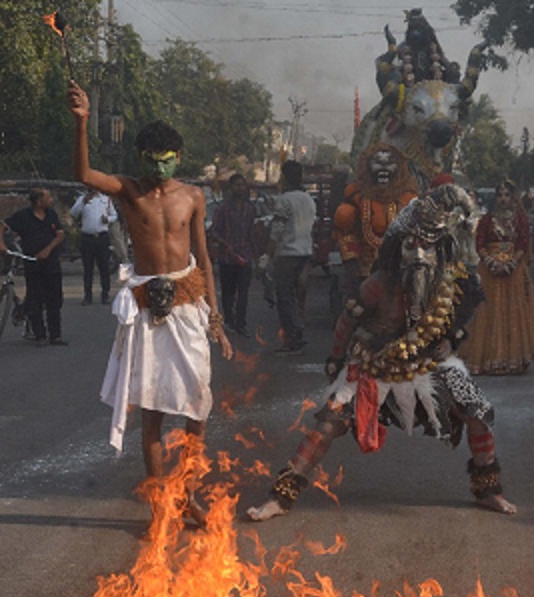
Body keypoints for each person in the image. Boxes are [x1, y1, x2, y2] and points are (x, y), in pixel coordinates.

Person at [246, 184, 517, 522]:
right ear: (398, 246)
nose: (418, 253)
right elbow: (347, 320)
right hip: (374, 363)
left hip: (431, 362)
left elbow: (465, 314)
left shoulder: (453, 281)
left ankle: (489, 490)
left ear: (440, 247)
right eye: (410, 245)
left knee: (478, 413)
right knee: (329, 423)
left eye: (427, 245)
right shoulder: (379, 283)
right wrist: (336, 358)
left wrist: (453, 338)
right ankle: (280, 498)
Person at [67, 83, 233, 493]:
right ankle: (160, 500)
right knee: (153, 410)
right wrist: (82, 122)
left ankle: (189, 491)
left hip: (188, 306)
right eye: (152, 161)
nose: (160, 169)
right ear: (140, 158)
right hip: (147, 309)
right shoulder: (128, 190)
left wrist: (216, 317)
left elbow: (204, 258)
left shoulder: (193, 196)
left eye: (167, 161)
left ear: (179, 158)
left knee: (199, 404)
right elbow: (83, 175)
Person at [459, 180, 534, 375]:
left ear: (513, 198)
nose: (503, 199)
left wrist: (512, 263)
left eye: (507, 195)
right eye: (500, 195)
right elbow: (479, 243)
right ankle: (488, 357)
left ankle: (511, 358)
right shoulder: (487, 219)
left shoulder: (520, 219)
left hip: (514, 270)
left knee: (512, 312)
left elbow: (523, 243)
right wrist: (490, 262)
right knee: (489, 312)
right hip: (490, 271)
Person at [333, 143, 417, 302]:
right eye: (377, 163)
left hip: (399, 269)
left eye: (389, 163)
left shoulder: (408, 198)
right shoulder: (356, 195)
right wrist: (351, 263)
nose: (383, 168)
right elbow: (345, 232)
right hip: (363, 269)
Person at [0, 188, 67, 346]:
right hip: (32, 264)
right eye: (48, 198)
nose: (51, 200)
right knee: (35, 299)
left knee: (54, 300)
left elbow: (60, 234)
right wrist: (1, 243)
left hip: (51, 264)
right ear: (38, 202)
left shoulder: (51, 215)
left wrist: (48, 249)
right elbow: (2, 226)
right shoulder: (24, 216)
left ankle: (55, 335)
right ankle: (39, 334)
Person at [267, 160, 316, 355]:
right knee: (297, 295)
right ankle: (298, 331)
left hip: (287, 253)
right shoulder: (308, 200)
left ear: (285, 177)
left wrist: (267, 254)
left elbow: (276, 230)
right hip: (305, 252)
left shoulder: (284, 200)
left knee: (285, 297)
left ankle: (292, 337)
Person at [208, 174, 259, 338]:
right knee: (228, 292)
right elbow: (214, 232)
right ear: (231, 188)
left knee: (243, 293)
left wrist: (257, 257)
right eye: (237, 185)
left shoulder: (250, 209)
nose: (240, 189)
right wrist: (226, 246)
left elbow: (252, 233)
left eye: (242, 185)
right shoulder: (223, 209)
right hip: (227, 259)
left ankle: (241, 324)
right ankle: (229, 322)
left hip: (246, 257)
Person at [70, 187, 117, 305]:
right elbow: (73, 213)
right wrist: (83, 202)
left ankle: (105, 294)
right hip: (87, 238)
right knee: (88, 268)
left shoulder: (106, 200)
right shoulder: (82, 199)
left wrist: (108, 219)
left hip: (102, 237)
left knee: (104, 268)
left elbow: (114, 215)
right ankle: (88, 296)